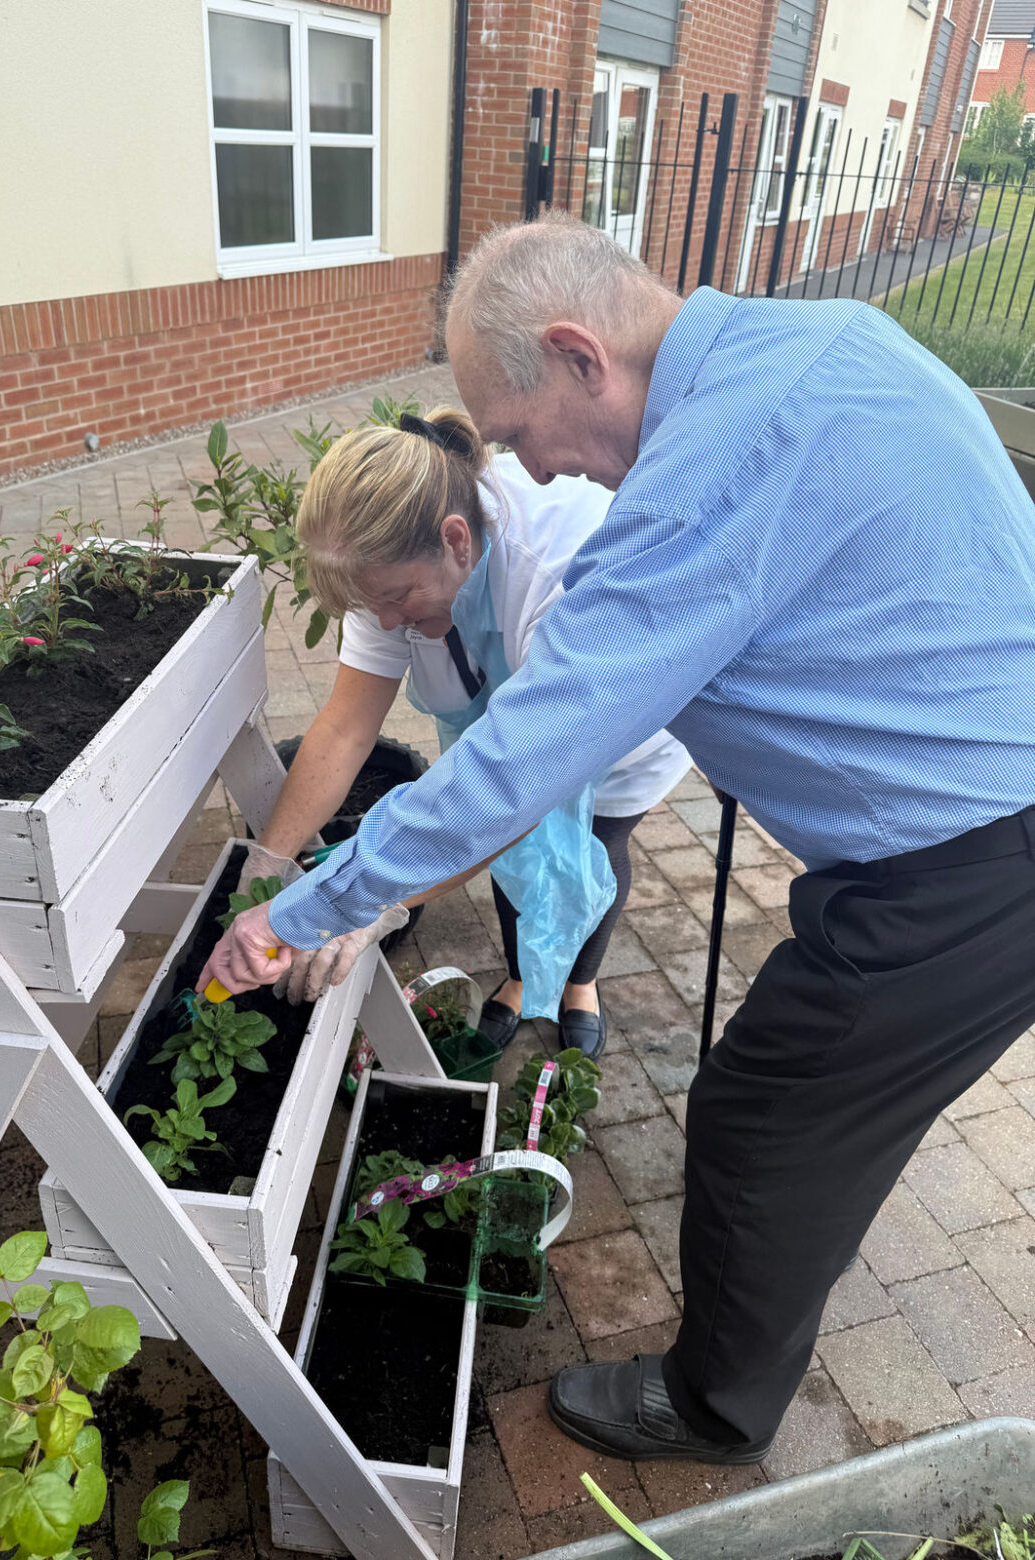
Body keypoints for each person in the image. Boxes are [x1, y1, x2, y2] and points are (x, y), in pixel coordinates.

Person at [200, 213, 1035, 1465]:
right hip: (969, 815)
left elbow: (524, 752)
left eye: (526, 436)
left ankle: (714, 1409)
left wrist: (308, 909)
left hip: (970, 867)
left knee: (763, 1118)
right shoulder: (823, 342)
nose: (544, 470)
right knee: (806, 1109)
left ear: (579, 354)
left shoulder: (714, 462)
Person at [218, 407, 689, 1057]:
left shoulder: (553, 576)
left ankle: (580, 982)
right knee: (509, 854)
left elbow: (514, 800)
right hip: (516, 729)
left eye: (397, 600)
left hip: (618, 712)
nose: (386, 624)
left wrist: (375, 903)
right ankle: (526, 979)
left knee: (595, 839)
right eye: (371, 604)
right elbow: (345, 728)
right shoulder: (390, 569)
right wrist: (268, 856)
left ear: (457, 540)